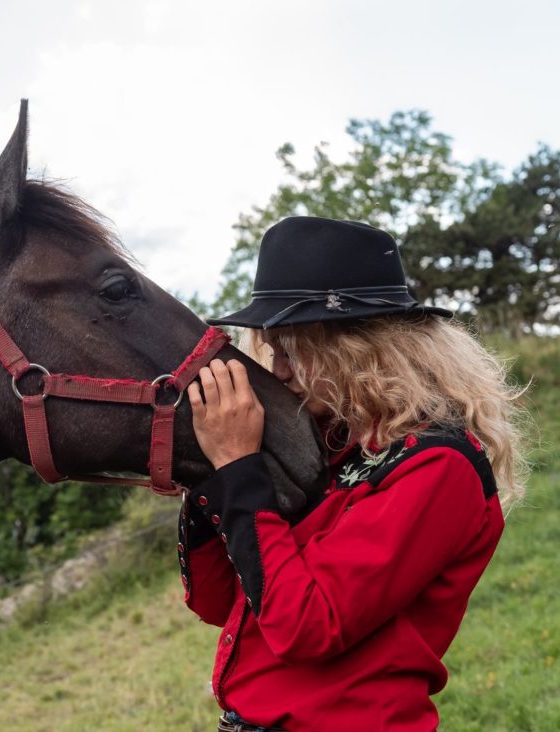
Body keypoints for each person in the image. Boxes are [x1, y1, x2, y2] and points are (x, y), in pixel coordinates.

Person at [178, 216, 528, 731]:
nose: (277, 371)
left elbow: (306, 625)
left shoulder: (438, 465)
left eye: (293, 350)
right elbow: (219, 600)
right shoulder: (331, 446)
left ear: (357, 349)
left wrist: (239, 470)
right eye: (272, 350)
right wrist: (208, 470)